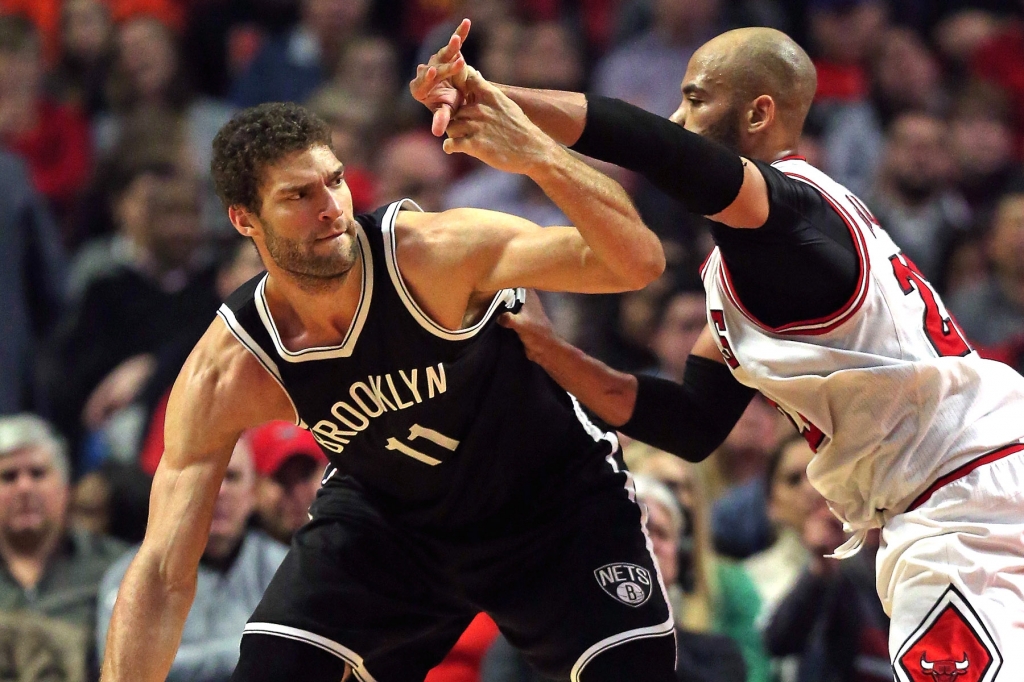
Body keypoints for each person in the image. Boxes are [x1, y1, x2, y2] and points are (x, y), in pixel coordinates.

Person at [414, 18, 1024, 677]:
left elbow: (650, 143)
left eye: (696, 99)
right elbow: (689, 423)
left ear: (759, 112)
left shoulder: (791, 208)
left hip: (965, 495)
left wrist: (498, 99)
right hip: (965, 485)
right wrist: (548, 351)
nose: (679, 117)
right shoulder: (746, 276)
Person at [100, 88, 672, 682]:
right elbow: (165, 571)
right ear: (244, 219)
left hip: (550, 501)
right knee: (276, 667)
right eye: (299, 194)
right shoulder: (233, 365)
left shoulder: (430, 254)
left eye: (335, 181)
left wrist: (535, 153)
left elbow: (637, 261)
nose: (331, 208)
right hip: (393, 521)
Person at [97, 434, 287, 682]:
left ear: (253, 494)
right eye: (208, 476)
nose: (219, 490)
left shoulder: (285, 569)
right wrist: (250, 651)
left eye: (231, 477)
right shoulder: (131, 576)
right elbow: (122, 671)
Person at [0, 414, 126, 675]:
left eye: (37, 473)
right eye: (9, 476)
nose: (24, 488)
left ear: (65, 487)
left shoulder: (115, 568)